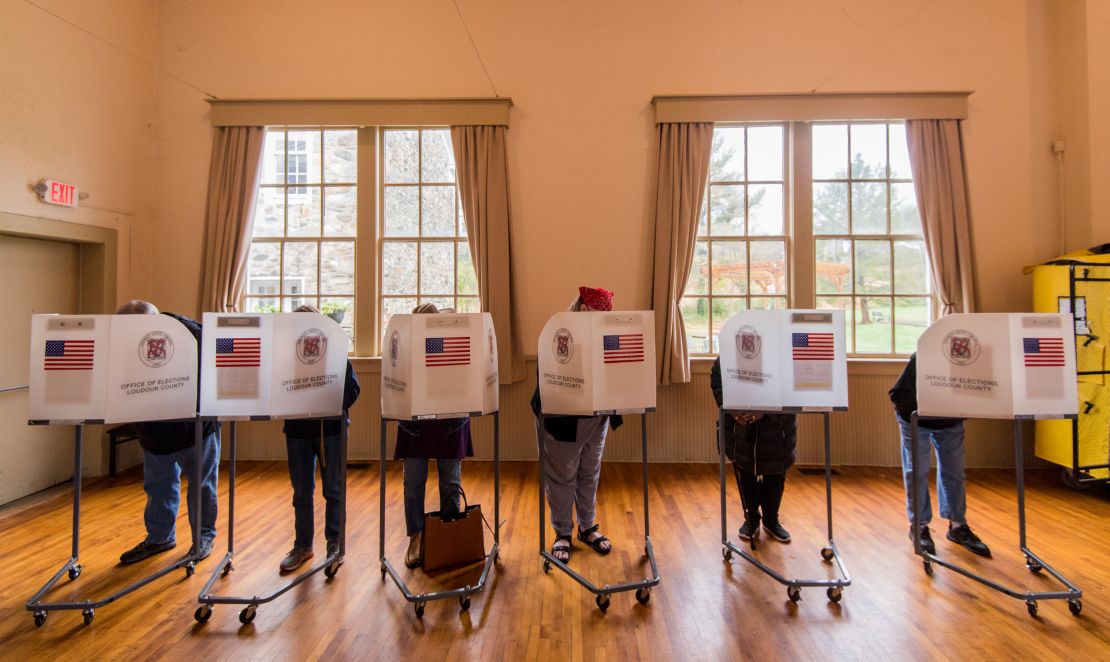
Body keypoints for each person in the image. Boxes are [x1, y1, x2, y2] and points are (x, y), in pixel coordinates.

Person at [117, 300, 221, 565]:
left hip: (195, 426)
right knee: (158, 487)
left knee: (201, 485)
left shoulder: (191, 332)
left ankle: (203, 537)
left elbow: (218, 364)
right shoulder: (121, 339)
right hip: (154, 426)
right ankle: (159, 537)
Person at [532, 286, 623, 564]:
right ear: (584, 310)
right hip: (563, 417)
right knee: (562, 477)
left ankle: (587, 526)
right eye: (600, 313)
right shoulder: (561, 334)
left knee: (589, 472)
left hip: (597, 416)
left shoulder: (605, 334)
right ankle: (562, 532)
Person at [279, 305, 361, 573]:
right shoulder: (285, 355)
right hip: (298, 431)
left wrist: (329, 405)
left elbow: (352, 389)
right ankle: (303, 546)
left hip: (331, 430)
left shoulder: (334, 350)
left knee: (333, 490)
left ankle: (335, 543)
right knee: (301, 491)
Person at [395, 303, 473, 569]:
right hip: (414, 424)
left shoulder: (447, 345)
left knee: (450, 481)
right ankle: (416, 537)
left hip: (449, 422)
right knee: (414, 483)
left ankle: (449, 535)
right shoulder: (404, 348)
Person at [890, 353, 991, 557]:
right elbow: (898, 394)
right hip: (914, 418)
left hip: (950, 420)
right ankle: (918, 527)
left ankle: (957, 526)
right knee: (917, 471)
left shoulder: (974, 361)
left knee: (954, 473)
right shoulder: (923, 356)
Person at [710, 357, 797, 542]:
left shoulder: (781, 343)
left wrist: (765, 408)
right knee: (746, 470)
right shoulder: (735, 339)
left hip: (777, 424)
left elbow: (789, 380)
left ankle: (771, 520)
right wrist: (731, 409)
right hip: (742, 422)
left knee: (775, 472)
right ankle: (751, 518)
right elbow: (718, 376)